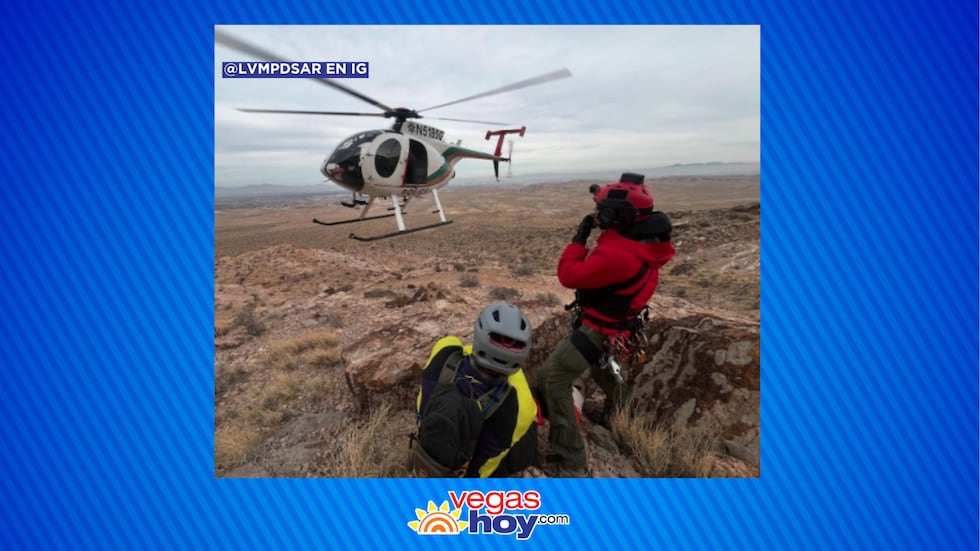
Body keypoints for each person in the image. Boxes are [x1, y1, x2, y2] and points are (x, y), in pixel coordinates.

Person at [537, 172, 675, 477]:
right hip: (621, 330)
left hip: (598, 330)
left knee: (553, 378)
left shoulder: (618, 254)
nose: (596, 214)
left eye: (601, 210)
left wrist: (578, 239)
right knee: (606, 374)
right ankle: (619, 417)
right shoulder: (645, 241)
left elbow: (569, 275)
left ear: (618, 216)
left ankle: (570, 458)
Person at [411, 302, 538, 478]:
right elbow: (485, 466)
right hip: (467, 472)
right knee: (529, 438)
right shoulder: (519, 405)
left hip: (428, 443)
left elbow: (421, 408)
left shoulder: (444, 351)